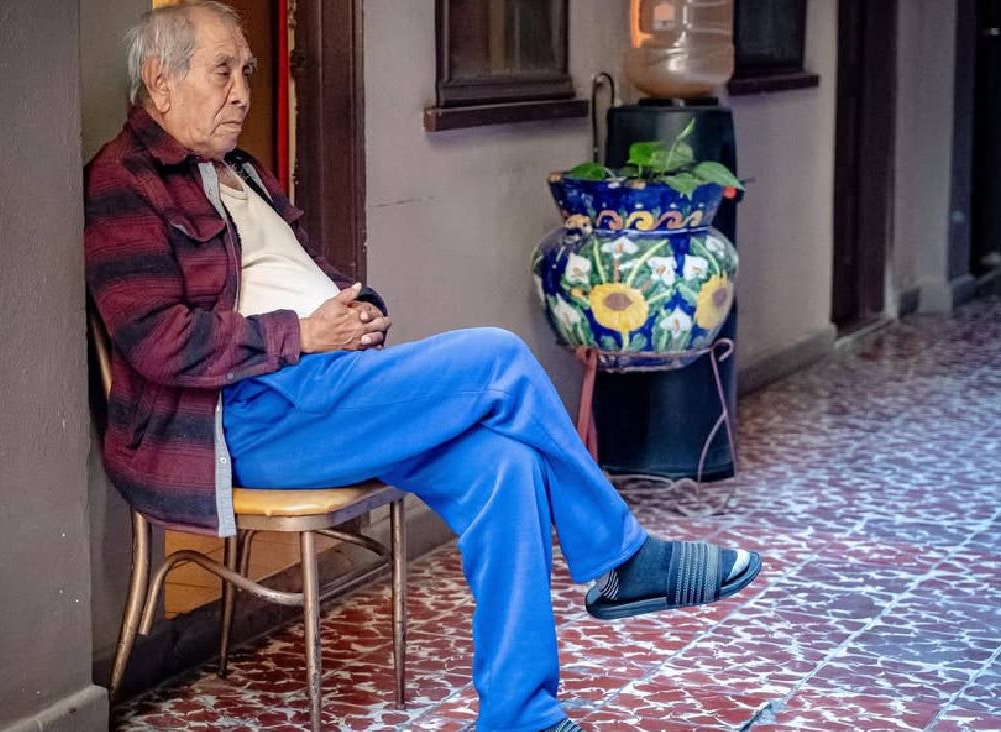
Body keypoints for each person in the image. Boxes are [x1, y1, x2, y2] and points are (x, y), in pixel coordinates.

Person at [84, 3, 761, 730]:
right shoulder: (125, 182)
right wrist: (302, 333)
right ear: (160, 81)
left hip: (320, 388)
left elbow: (305, 272)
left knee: (503, 464)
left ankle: (520, 714)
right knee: (498, 358)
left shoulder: (242, 171)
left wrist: (357, 311)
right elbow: (157, 340)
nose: (243, 92)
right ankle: (621, 559)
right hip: (237, 420)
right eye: (222, 72)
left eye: (246, 71)